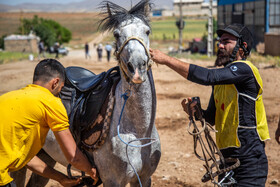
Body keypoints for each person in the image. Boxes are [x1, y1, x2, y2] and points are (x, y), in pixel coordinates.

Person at [150, 24, 270, 186]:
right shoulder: (221, 81)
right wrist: (198, 112)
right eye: (219, 41)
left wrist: (166, 60)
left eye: (226, 41)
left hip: (249, 162)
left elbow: (207, 76)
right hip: (226, 162)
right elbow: (212, 118)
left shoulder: (245, 70)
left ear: (242, 47)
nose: (220, 45)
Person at [0, 59, 98, 186]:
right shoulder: (50, 102)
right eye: (61, 88)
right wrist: (91, 170)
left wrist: (61, 178)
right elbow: (74, 157)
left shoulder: (8, 97)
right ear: (55, 82)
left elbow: (26, 159)